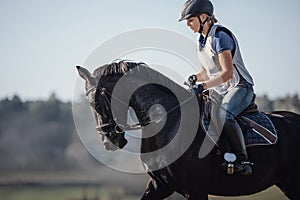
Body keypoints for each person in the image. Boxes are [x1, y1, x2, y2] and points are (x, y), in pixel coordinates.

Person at [179, 0, 255, 175]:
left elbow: (227, 74)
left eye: (190, 20)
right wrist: (195, 78)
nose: (188, 25)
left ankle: (243, 160)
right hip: (220, 90)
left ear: (203, 17)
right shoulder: (200, 40)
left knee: (224, 114)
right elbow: (207, 72)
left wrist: (203, 86)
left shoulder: (220, 37)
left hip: (240, 87)